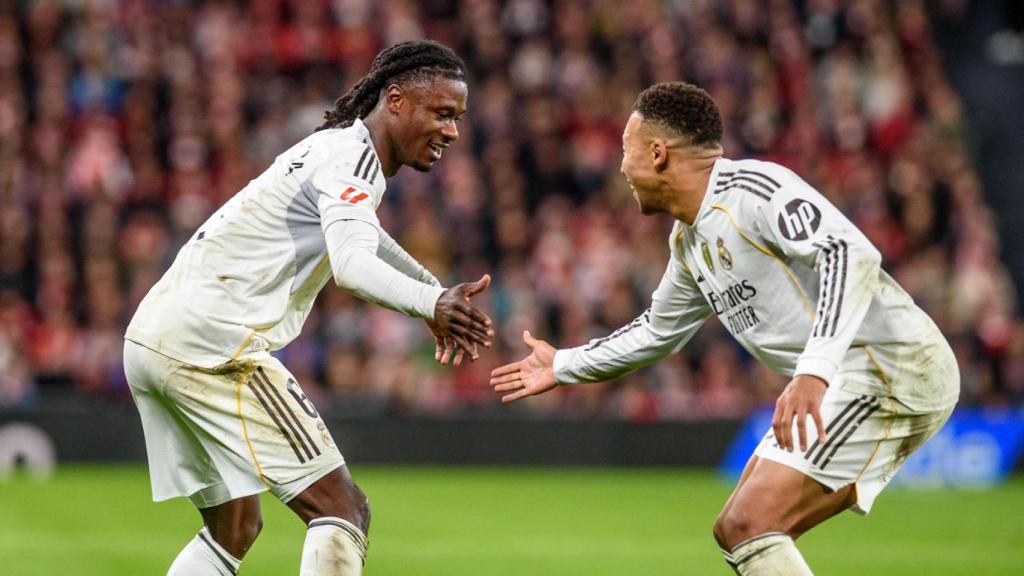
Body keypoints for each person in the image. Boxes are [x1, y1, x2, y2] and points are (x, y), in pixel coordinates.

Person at [490, 82, 959, 575]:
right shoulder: (689, 240)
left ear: (657, 153)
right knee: (736, 531)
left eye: (625, 152)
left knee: (748, 525)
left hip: (889, 369)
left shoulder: (752, 190)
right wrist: (564, 364)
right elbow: (656, 331)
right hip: (850, 376)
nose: (622, 168)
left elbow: (849, 251)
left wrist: (812, 373)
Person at [123, 40, 494, 576]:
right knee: (344, 510)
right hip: (211, 345)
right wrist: (431, 301)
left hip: (153, 338)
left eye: (457, 118)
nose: (452, 131)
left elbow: (370, 242)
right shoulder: (352, 160)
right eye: (441, 113)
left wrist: (431, 293)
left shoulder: (336, 149)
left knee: (234, 526)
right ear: (394, 100)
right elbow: (351, 265)